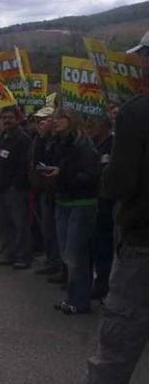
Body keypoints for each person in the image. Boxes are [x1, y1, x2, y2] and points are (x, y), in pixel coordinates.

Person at [85, 28, 149, 382]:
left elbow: (121, 184)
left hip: (142, 242)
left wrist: (107, 170)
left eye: (143, 57)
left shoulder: (136, 112)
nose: (138, 64)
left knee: (117, 346)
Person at [43, 107, 101, 315]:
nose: (55, 121)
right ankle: (73, 297)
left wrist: (62, 174)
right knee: (68, 253)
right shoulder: (58, 143)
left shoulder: (84, 146)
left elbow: (91, 176)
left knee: (77, 254)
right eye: (54, 118)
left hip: (81, 204)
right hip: (63, 202)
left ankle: (80, 300)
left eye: (60, 118)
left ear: (71, 121)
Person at [0, 105, 33, 270]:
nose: (7, 120)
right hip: (0, 187)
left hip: (15, 189)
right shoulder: (0, 137)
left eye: (10, 117)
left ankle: (23, 256)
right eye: (5, 117)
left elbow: (23, 166)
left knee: (20, 223)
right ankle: (9, 253)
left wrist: (14, 184)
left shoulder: (23, 139)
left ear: (18, 118)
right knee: (4, 223)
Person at [29, 108, 62, 278]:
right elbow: (36, 158)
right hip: (43, 188)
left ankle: (58, 263)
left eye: (44, 120)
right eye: (37, 120)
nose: (40, 123)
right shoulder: (40, 139)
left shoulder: (57, 139)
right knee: (47, 227)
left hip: (55, 189)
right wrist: (41, 137)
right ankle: (51, 260)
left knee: (56, 229)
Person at [86, 115, 114, 300]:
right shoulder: (92, 144)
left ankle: (105, 283)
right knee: (97, 245)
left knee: (106, 245)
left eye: (92, 124)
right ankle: (100, 282)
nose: (89, 127)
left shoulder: (113, 143)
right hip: (95, 199)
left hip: (108, 201)